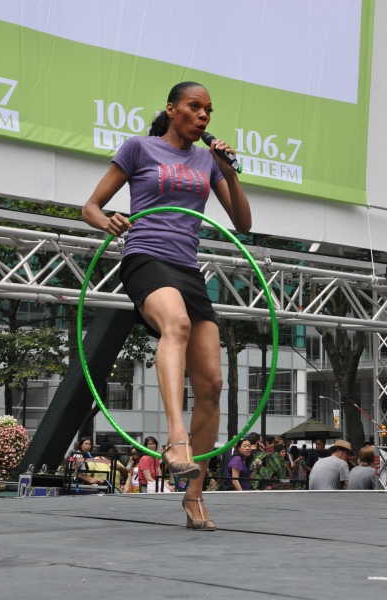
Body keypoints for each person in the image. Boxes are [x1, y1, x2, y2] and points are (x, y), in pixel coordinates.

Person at [82, 81, 251, 530]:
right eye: (195, 107)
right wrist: (110, 222)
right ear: (172, 109)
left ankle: (194, 497)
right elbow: (91, 207)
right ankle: (176, 439)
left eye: (209, 111)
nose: (203, 117)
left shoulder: (205, 160)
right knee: (174, 324)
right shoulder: (140, 148)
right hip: (145, 257)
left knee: (213, 383)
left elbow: (244, 223)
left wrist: (228, 171)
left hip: (188, 269)